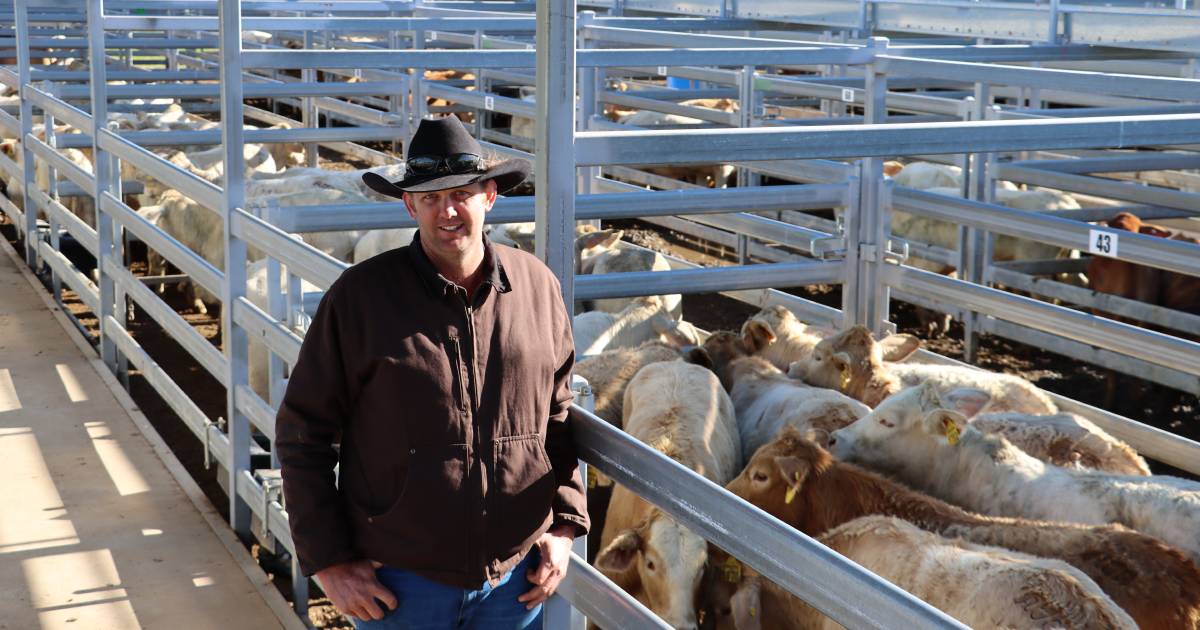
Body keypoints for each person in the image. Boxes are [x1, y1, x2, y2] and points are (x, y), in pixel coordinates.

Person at [275, 116, 588, 629]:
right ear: (408, 204)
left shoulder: (536, 287)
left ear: (490, 195)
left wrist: (566, 525)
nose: (448, 210)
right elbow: (302, 433)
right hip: (400, 584)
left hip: (514, 583)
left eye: (462, 192)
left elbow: (557, 414)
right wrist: (329, 562)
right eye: (430, 196)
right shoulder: (361, 299)